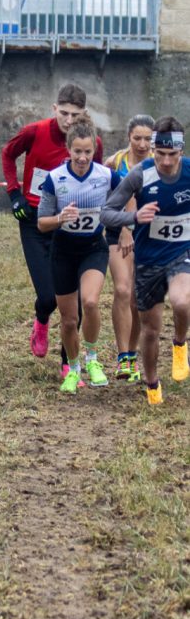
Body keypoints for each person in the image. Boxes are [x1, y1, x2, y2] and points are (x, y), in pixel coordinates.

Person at [1, 83, 103, 367]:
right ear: (54, 109)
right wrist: (14, 194)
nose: (69, 121)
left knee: (75, 301)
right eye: (64, 113)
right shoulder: (35, 131)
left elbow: (98, 178)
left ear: (84, 114)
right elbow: (8, 154)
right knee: (48, 296)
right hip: (35, 221)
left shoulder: (89, 142)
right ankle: (41, 319)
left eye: (75, 114)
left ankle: (67, 363)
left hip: (70, 225)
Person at [101, 116, 190, 405]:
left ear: (181, 151)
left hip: (180, 254)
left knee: (181, 301)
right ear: (154, 150)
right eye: (160, 154)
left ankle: (179, 344)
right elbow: (106, 213)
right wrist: (134, 217)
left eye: (172, 155)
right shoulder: (140, 174)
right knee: (150, 329)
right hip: (148, 260)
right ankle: (152, 383)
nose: (165, 161)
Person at [38, 117, 118, 393]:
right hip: (63, 251)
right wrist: (60, 217)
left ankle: (93, 359)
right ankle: (73, 369)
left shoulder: (105, 176)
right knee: (70, 320)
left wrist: (127, 228)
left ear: (94, 150)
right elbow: (41, 222)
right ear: (68, 149)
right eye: (78, 151)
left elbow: (127, 195)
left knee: (91, 302)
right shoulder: (55, 179)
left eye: (88, 152)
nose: (83, 158)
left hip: (93, 248)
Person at [103, 115, 154, 382]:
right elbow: (107, 200)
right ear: (128, 138)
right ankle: (123, 357)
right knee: (122, 290)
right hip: (117, 233)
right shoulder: (115, 163)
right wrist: (123, 229)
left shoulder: (163, 163)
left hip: (147, 236)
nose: (143, 144)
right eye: (138, 138)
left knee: (137, 298)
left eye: (148, 138)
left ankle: (132, 355)